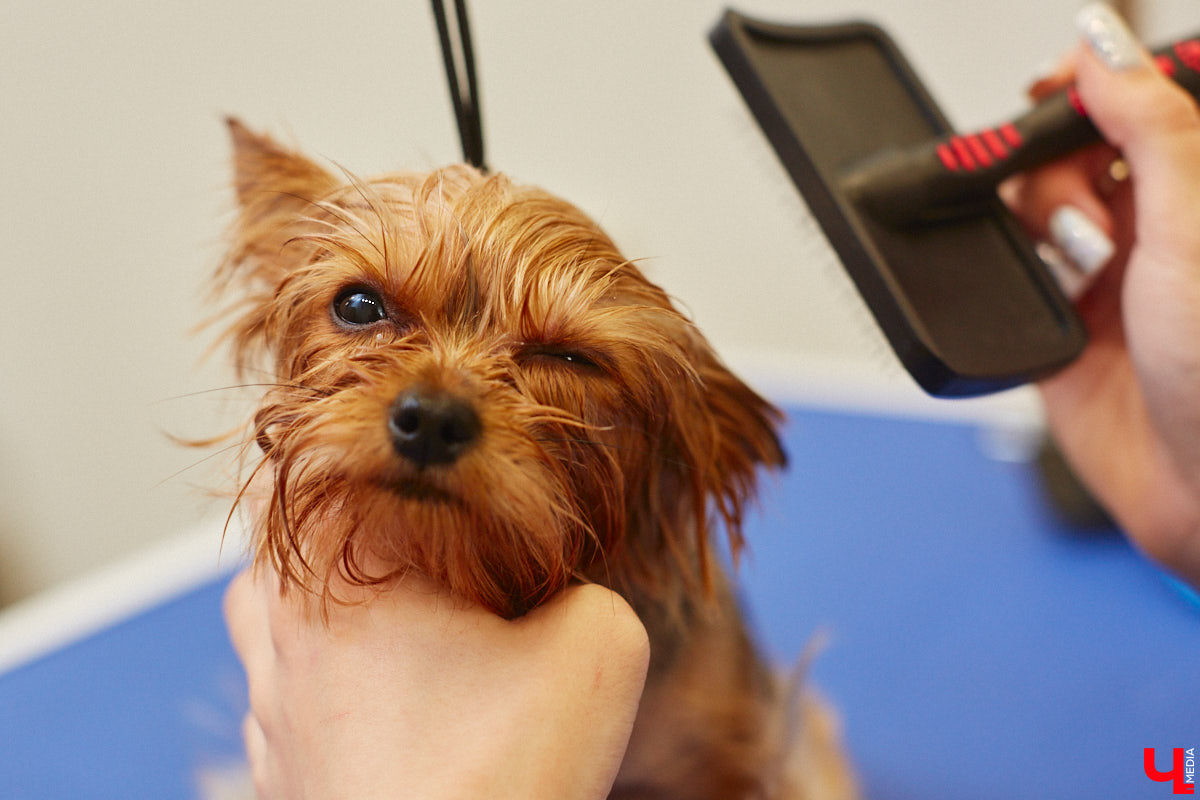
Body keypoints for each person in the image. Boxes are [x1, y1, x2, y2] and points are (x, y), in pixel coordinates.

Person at [223, 5, 1200, 798]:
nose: (435, 398)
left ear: (693, 453)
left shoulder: (685, 694)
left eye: (564, 355)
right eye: (364, 307)